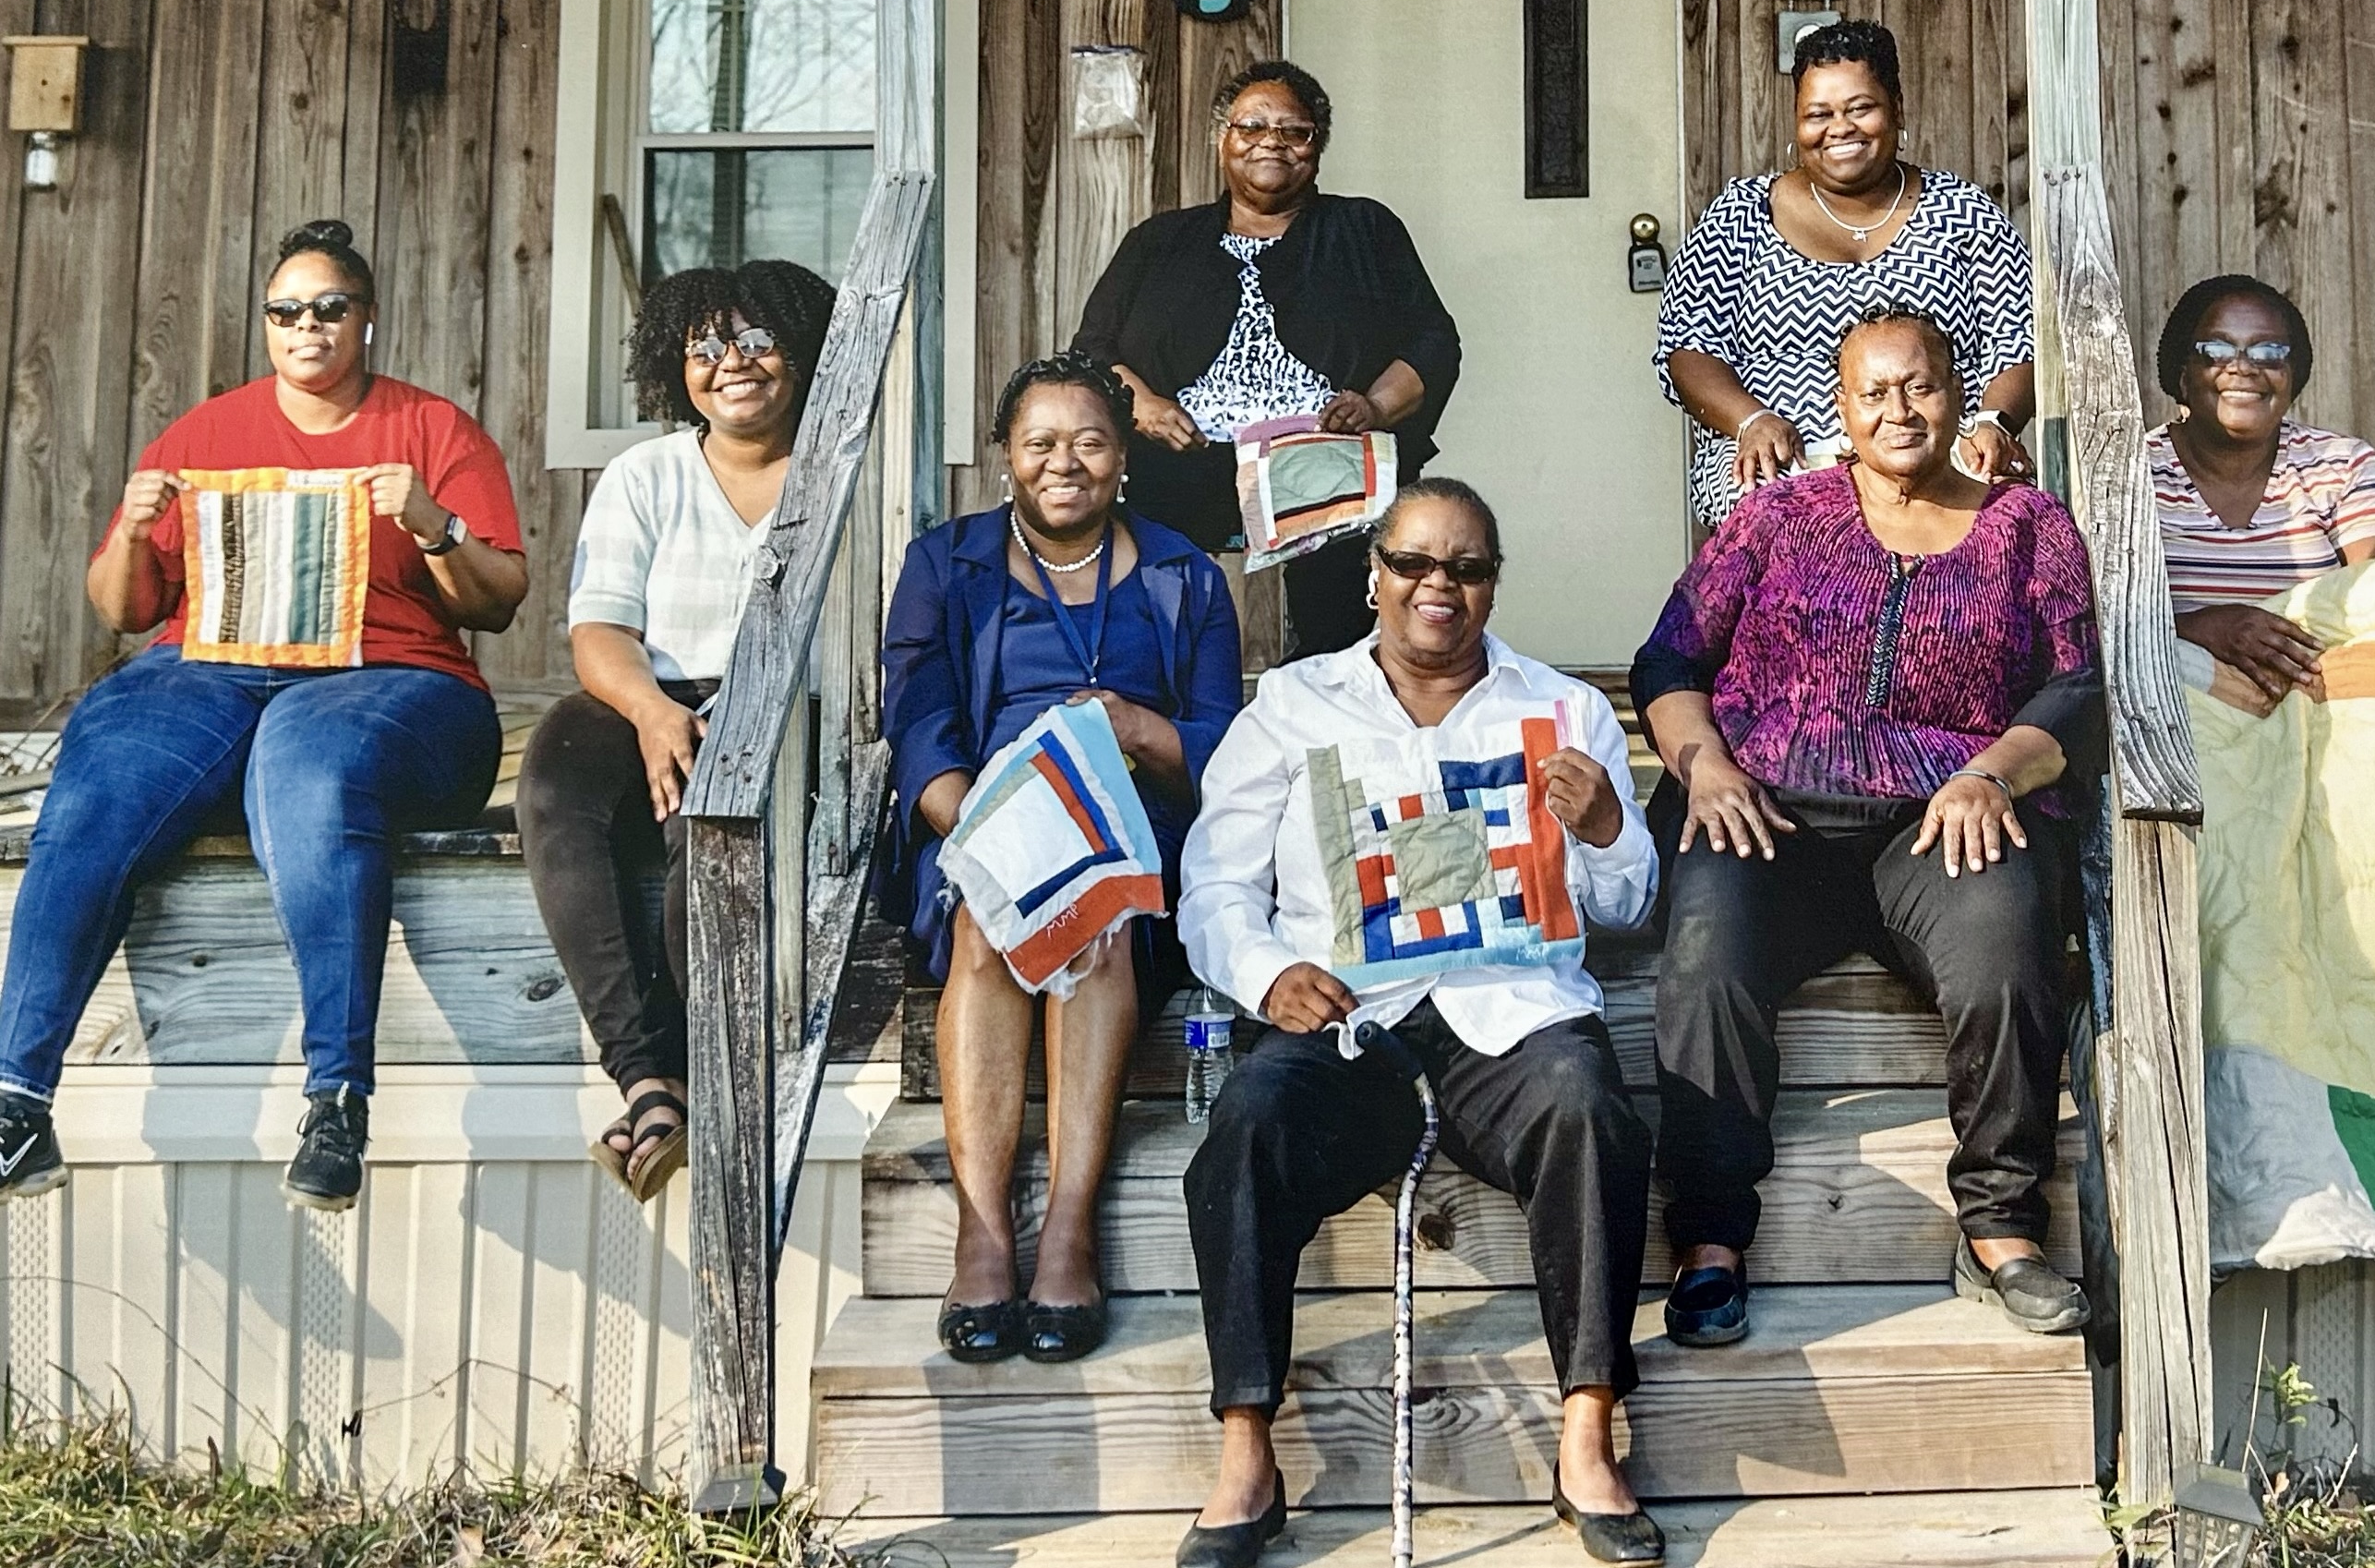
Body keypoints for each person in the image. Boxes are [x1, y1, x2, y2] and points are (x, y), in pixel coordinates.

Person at [1174, 480, 1663, 1568]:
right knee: (1247, 1126)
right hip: (1350, 1018)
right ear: (1373, 573)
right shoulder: (1294, 704)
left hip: (1511, 1016)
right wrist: (1268, 976)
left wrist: (1606, 826)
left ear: (1494, 583)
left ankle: (1586, 1437)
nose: (1438, 584)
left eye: (1467, 567)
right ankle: (1247, 1453)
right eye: (1415, 562)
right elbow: (1211, 887)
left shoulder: (1562, 707)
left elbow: (1627, 905)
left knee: (1592, 1110)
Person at [0, 220, 527, 1211]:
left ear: (367, 320)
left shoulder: (433, 430)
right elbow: (125, 607)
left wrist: (434, 523)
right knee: (98, 781)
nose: (308, 326)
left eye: (331, 307)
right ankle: (16, 1100)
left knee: (306, 769)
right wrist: (136, 520)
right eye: (287, 310)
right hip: (208, 667)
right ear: (267, 325)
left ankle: (337, 1099)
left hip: (390, 673)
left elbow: (496, 600)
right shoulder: (203, 434)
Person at [1635, 307, 2103, 1346]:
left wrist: (1992, 772)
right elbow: (1669, 660)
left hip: (1938, 819)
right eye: (1874, 391)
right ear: (1840, 409)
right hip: (1767, 810)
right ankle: (1710, 1238)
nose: (1900, 409)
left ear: (1957, 388)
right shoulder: (1777, 516)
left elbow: (2075, 691)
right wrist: (1703, 763)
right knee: (1705, 952)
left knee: (2006, 929)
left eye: (1921, 384)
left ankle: (1999, 1230)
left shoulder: (2030, 525)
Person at [882, 354, 1245, 1363]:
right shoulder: (943, 564)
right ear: (1007, 457)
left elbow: (1224, 744)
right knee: (988, 914)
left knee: (1098, 913)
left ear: (1123, 455)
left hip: (1139, 838)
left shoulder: (1183, 576)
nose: (1064, 463)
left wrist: (1138, 723)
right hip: (984, 819)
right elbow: (918, 723)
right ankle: (985, 1230)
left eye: (1088, 440)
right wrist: (981, 827)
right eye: (1040, 442)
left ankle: (1071, 1229)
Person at [515, 260, 834, 1200]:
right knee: (553, 782)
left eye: (753, 338)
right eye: (701, 347)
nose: (728, 362)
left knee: (709, 827)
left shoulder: (841, 465)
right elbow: (600, 630)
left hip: (783, 703)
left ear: (802, 346)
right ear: (674, 368)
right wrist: (653, 713)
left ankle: (692, 1074)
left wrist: (725, 718)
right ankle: (643, 1078)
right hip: (650, 693)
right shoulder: (645, 475)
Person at [1073, 59, 1462, 660]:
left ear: (1317, 145)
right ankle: (1175, 722)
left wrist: (1375, 404)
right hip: (1181, 461)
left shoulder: (1363, 228)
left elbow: (1433, 340)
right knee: (1153, 599)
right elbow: (1093, 349)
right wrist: (1143, 407)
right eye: (1251, 126)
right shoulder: (1161, 241)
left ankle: (1327, 720)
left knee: (1341, 604)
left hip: (1325, 462)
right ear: (1222, 139)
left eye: (1293, 130)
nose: (1270, 142)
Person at [1656, 18, 2038, 527]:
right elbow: (1689, 350)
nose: (1839, 128)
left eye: (1860, 108)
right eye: (1818, 114)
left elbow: (2021, 342)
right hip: (1783, 462)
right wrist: (1752, 420)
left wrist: (1993, 421)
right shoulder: (1741, 215)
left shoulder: (1963, 213)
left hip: (1931, 458)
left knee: (2002, 514)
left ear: (1896, 110)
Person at [2151, 274, 2375, 698]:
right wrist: (2199, 628)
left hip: (2323, 702)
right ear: (2182, 375)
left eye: (2270, 352)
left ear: (2293, 377)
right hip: (2174, 720)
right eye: (2215, 350)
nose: (2244, 367)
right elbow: (2091, 633)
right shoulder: (2131, 477)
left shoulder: (2342, 465)